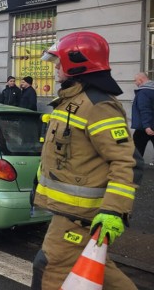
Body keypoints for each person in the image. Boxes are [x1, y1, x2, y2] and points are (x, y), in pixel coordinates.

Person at [31, 31, 140, 289]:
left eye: (60, 61)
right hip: (68, 211)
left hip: (82, 214)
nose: (56, 66)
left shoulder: (98, 105)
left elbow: (125, 162)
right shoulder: (72, 100)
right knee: (99, 270)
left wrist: (114, 210)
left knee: (48, 267)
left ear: (77, 62)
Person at [131, 72, 154, 157]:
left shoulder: (143, 92)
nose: (135, 83)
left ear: (141, 80)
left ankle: (136, 169)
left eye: (135, 80)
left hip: (144, 127)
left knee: (137, 152)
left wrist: (147, 126)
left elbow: (145, 109)